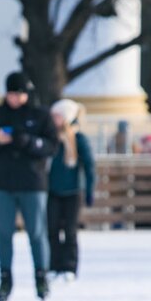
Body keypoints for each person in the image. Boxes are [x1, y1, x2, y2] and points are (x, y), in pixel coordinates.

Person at [0, 71, 58, 301]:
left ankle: (41, 275)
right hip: (3, 182)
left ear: (27, 93)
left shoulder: (41, 115)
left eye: (19, 93)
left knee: (36, 232)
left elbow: (51, 146)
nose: (14, 98)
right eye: (11, 93)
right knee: (4, 233)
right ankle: (5, 278)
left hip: (33, 183)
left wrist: (29, 142)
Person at [47, 98, 95, 281]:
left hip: (73, 191)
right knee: (51, 229)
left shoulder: (79, 139)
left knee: (70, 229)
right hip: (52, 191)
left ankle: (69, 266)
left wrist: (90, 190)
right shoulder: (51, 138)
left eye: (57, 116)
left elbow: (89, 166)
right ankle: (54, 265)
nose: (54, 119)